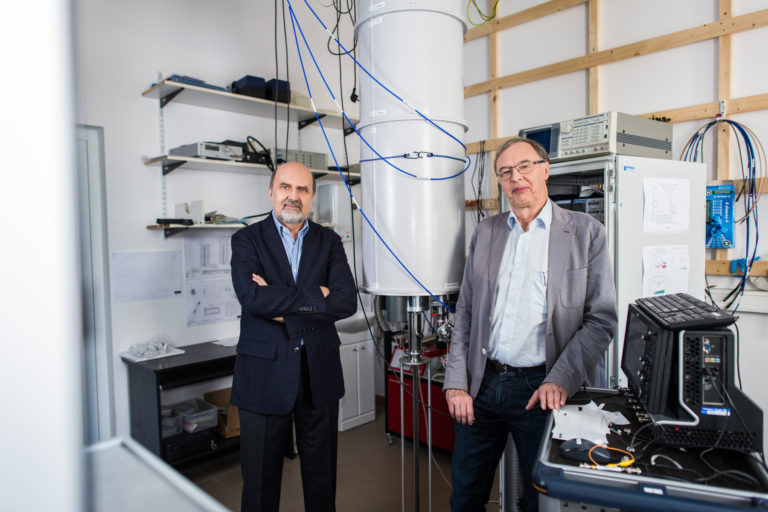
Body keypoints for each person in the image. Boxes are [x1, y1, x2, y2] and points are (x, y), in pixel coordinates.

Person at [443, 137, 617, 512]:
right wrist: (456, 381)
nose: (516, 177)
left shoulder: (587, 233)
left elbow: (600, 319)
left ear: (545, 169)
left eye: (525, 166)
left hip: (542, 389)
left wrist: (561, 378)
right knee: (466, 494)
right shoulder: (486, 232)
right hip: (481, 385)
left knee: (540, 498)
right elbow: (466, 312)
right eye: (506, 171)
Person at [230, 162, 357, 512]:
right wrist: (318, 297)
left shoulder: (329, 241)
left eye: (302, 189)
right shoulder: (246, 239)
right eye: (285, 187)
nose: (293, 196)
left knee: (321, 481)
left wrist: (277, 300)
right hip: (263, 374)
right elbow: (252, 299)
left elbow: (345, 301)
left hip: (319, 372)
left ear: (312, 196)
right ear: (271, 192)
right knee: (259, 485)